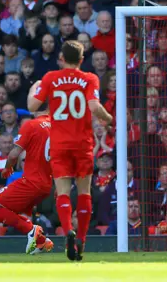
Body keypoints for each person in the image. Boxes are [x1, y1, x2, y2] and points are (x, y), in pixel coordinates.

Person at [28, 40, 113, 261]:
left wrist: (32, 89)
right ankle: (81, 240)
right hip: (82, 144)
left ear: (61, 58)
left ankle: (67, 231)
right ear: (82, 60)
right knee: (84, 192)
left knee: (63, 191)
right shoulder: (89, 78)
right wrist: (109, 119)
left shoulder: (51, 78)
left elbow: (32, 107)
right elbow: (94, 107)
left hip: (60, 144)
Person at [0, 114, 55, 255]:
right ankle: (41, 242)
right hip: (47, 184)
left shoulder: (31, 125)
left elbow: (14, 154)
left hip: (31, 181)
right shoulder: (57, 126)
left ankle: (31, 229)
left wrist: (8, 167)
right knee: (19, 213)